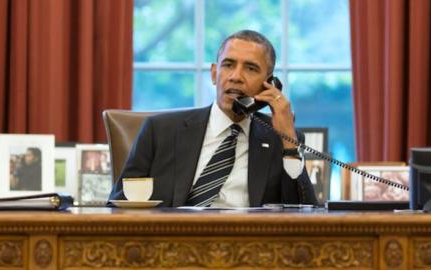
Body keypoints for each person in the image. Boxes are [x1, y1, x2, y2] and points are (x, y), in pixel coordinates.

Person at [108, 30, 317, 207]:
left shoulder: (278, 139)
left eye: (250, 68)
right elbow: (118, 205)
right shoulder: (160, 131)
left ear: (269, 83)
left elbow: (304, 213)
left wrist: (288, 141)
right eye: (228, 65)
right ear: (214, 73)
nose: (235, 76)